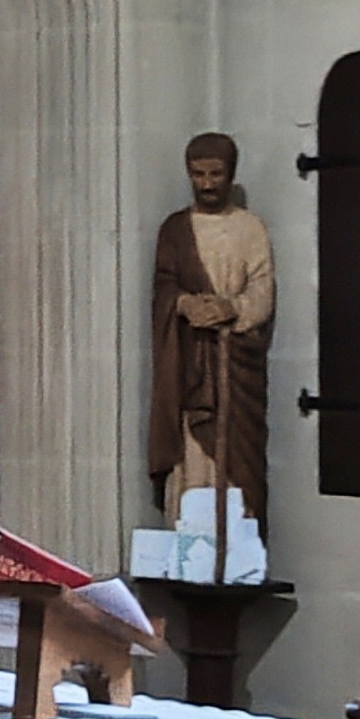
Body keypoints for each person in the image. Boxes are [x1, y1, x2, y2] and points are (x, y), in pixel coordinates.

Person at [149, 131, 276, 532]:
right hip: (189, 365)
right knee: (191, 459)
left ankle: (235, 547)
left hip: (234, 366)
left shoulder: (250, 228)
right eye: (198, 174)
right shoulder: (175, 229)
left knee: (240, 464)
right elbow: (164, 287)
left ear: (230, 174)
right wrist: (185, 304)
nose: (206, 184)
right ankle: (192, 544)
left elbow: (262, 290)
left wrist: (230, 308)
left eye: (215, 174)